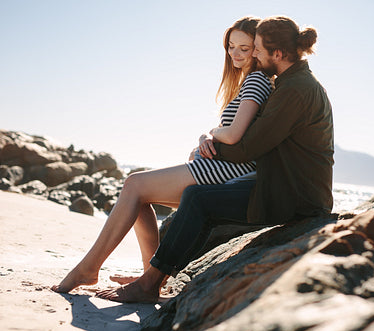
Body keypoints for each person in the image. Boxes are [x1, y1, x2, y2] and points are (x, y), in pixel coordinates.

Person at [95, 15, 334, 303]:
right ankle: (151, 278)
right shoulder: (293, 82)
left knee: (198, 198)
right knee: (195, 196)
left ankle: (149, 284)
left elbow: (249, 147)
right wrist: (210, 141)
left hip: (292, 195)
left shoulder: (296, 89)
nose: (253, 55)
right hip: (284, 185)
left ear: (278, 54)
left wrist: (210, 144)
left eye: (256, 49)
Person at [51, 16, 273, 293]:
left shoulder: (256, 80)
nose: (236, 54)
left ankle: (89, 269)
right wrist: (206, 136)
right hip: (224, 167)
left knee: (134, 184)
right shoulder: (248, 82)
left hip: (231, 173)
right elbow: (232, 129)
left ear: (258, 48)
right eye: (231, 47)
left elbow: (235, 134)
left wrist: (212, 133)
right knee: (138, 194)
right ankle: (149, 277)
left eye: (244, 47)